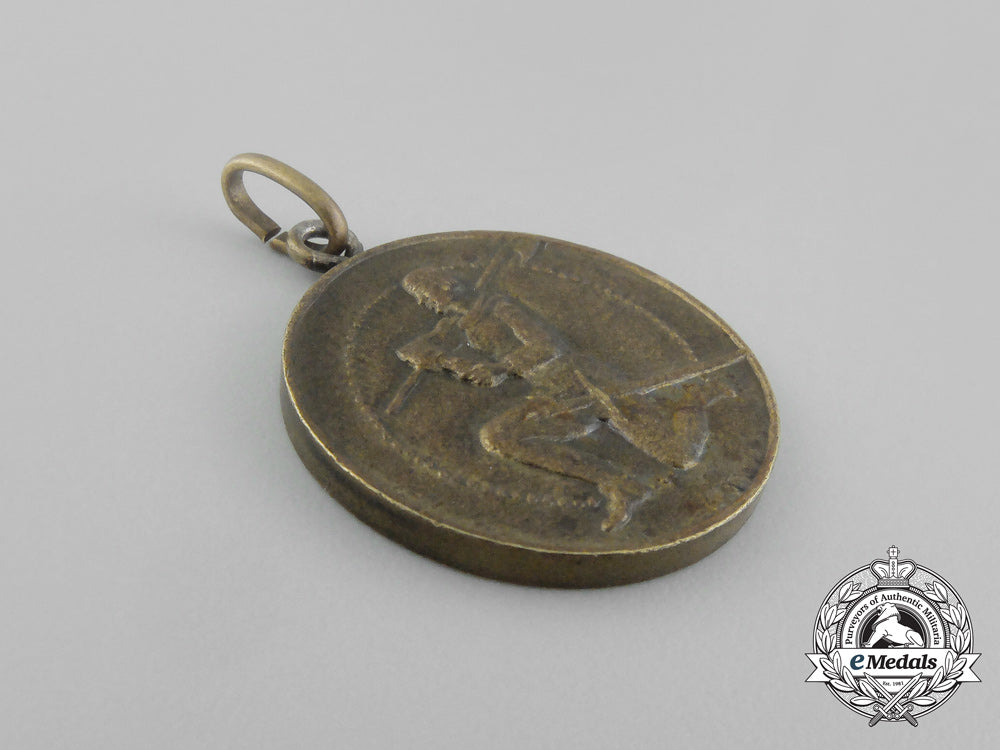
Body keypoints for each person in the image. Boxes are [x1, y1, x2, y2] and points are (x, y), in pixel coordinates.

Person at [395, 265, 736, 530]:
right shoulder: (459, 325)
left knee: (681, 456)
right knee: (499, 436)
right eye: (418, 299)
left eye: (424, 294)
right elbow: (464, 364)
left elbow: (547, 346)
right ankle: (619, 484)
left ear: (444, 285)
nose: (424, 303)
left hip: (584, 382)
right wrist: (439, 359)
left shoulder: (499, 307)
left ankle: (695, 398)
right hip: (552, 392)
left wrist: (502, 367)